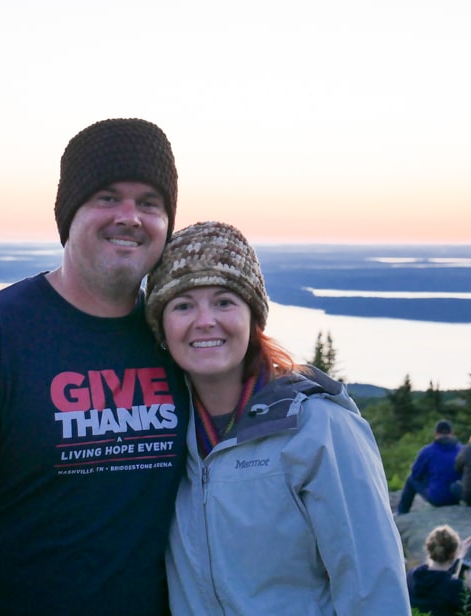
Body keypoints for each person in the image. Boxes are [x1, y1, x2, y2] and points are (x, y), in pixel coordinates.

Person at [0, 118, 190, 615]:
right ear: (69, 214)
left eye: (149, 203)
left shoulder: (176, 338)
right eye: (108, 197)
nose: (130, 217)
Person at [143, 221, 411, 614]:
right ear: (162, 328)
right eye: (183, 305)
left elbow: (374, 590)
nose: (205, 321)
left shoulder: (318, 428)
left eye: (224, 302)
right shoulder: (160, 433)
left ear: (253, 318)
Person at [406, 524, 471, 615]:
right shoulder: (456, 587)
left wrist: (460, 557)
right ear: (453, 553)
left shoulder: (410, 576)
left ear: (429, 548)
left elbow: (438, 580)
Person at [396, 419, 463, 515]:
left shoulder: (427, 451)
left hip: (437, 498)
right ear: (452, 433)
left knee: (411, 480)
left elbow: (415, 474)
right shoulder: (462, 449)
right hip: (457, 496)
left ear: (436, 434)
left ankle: (402, 511)